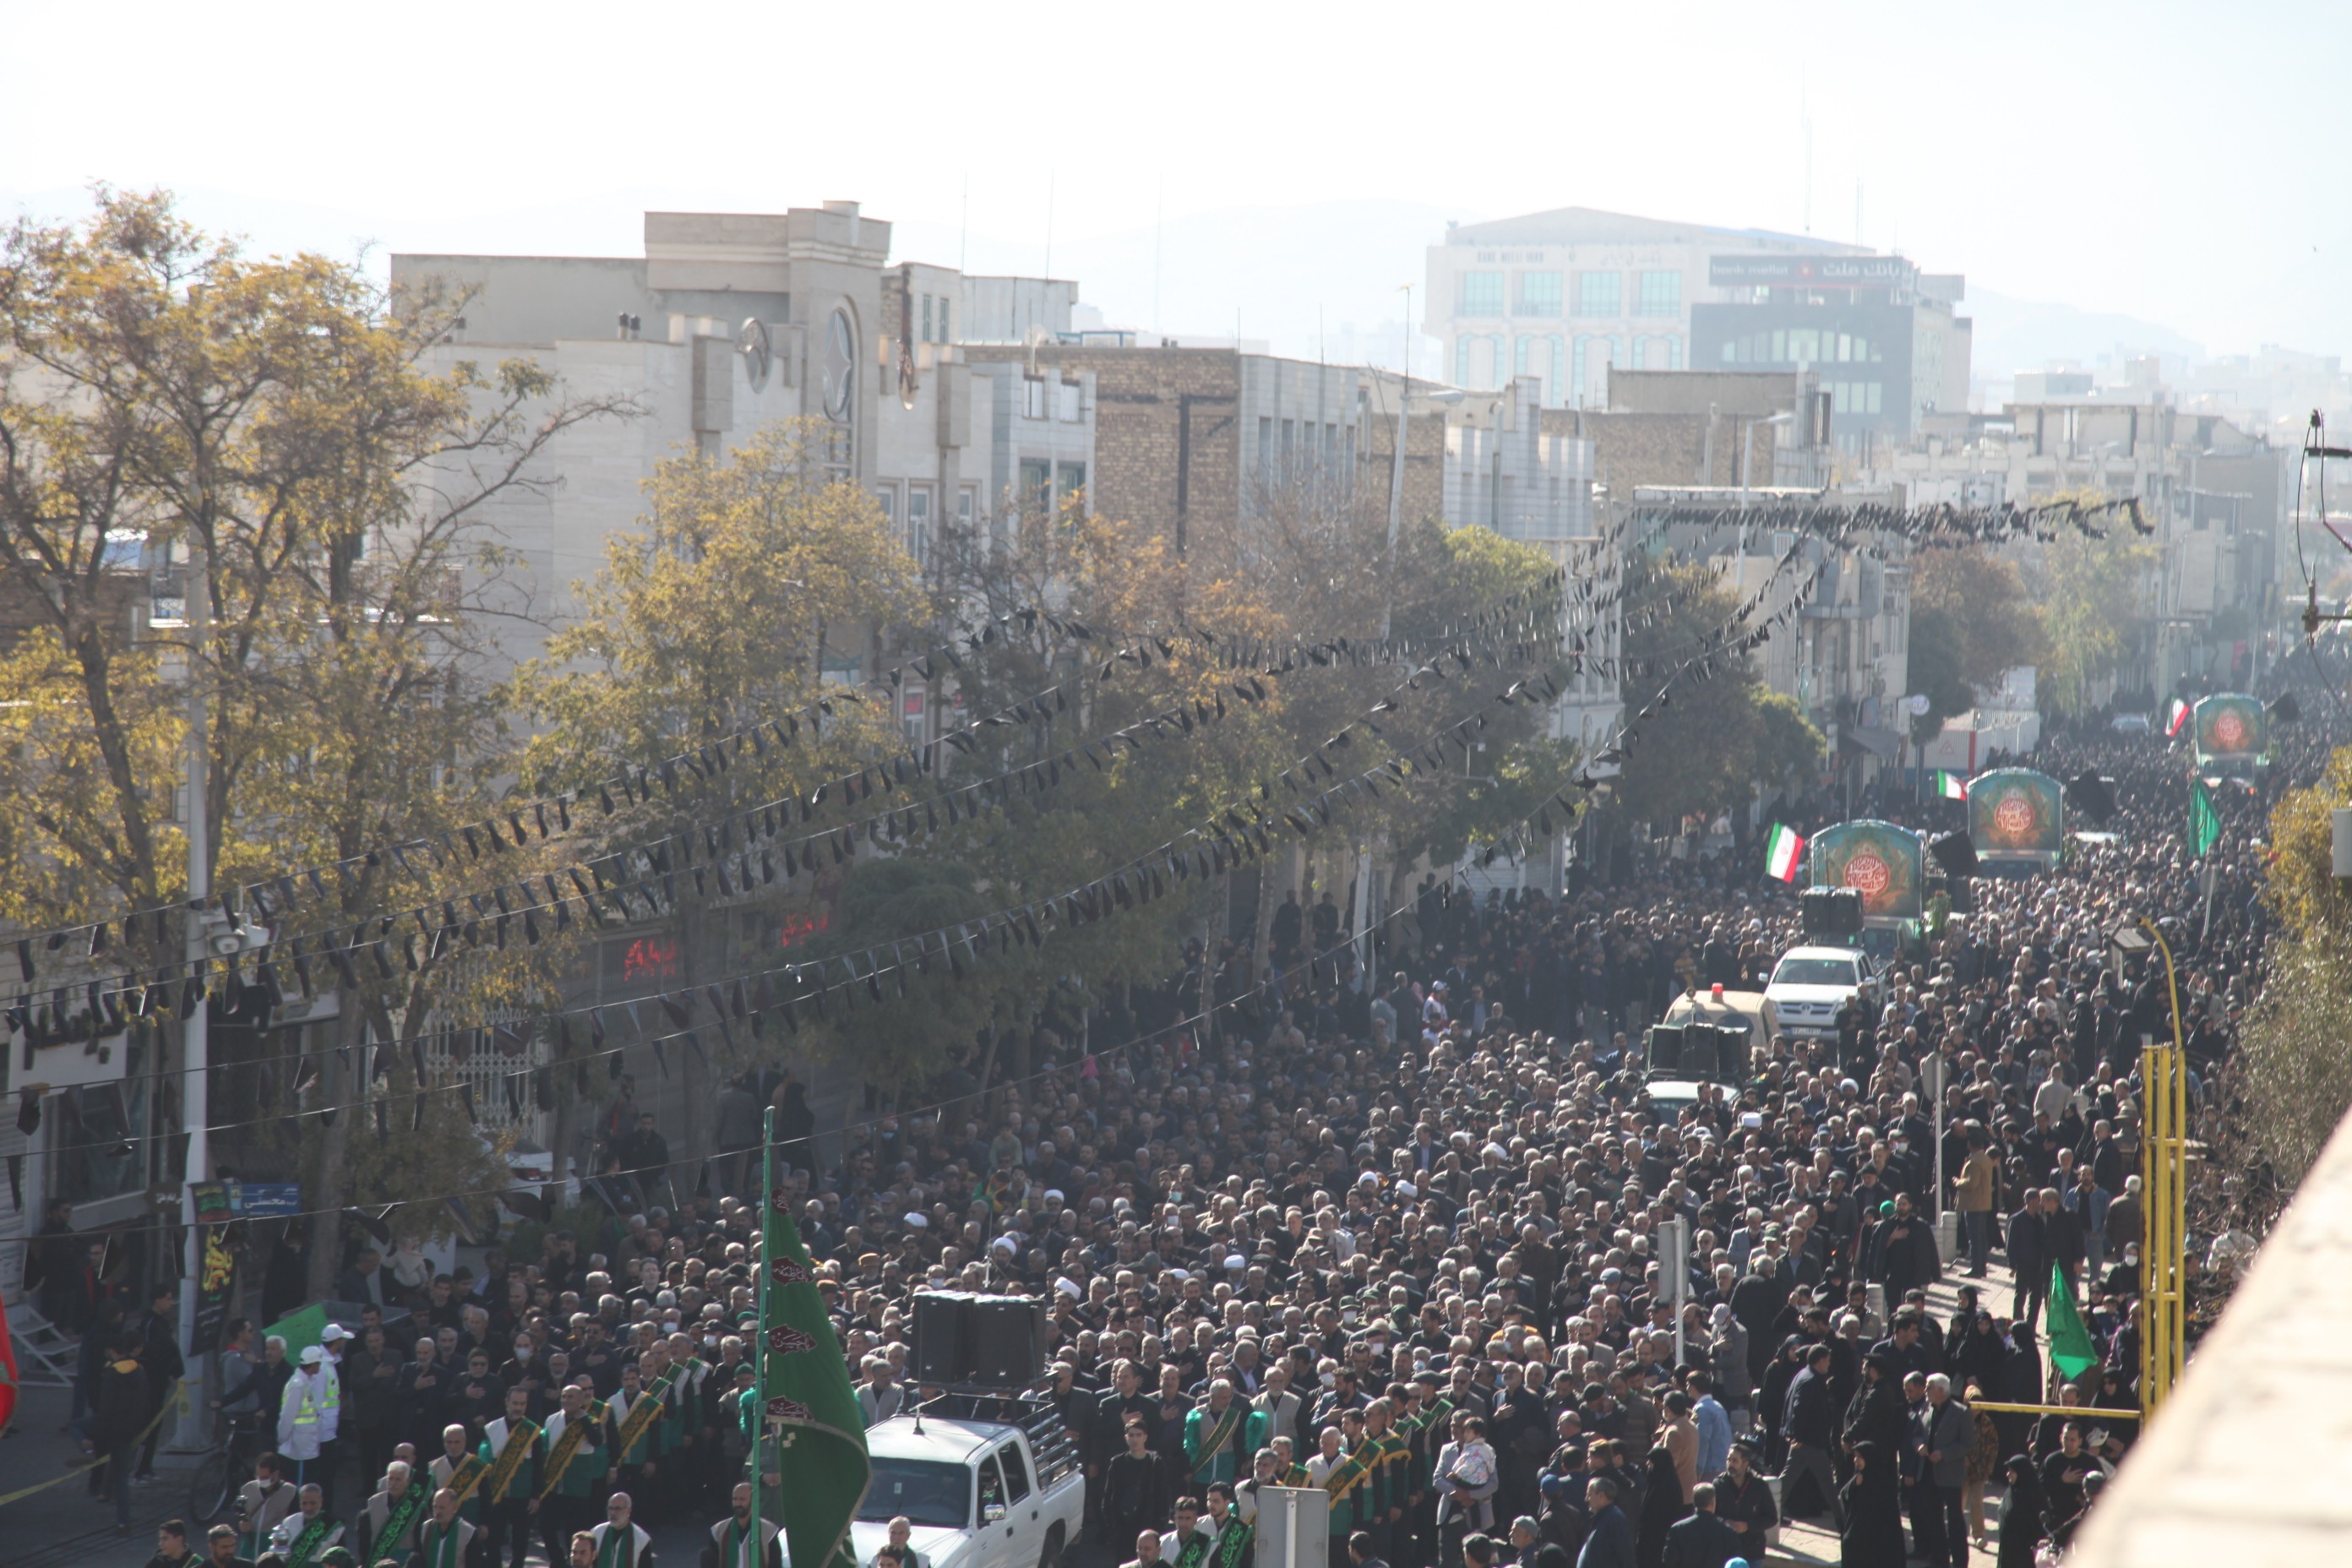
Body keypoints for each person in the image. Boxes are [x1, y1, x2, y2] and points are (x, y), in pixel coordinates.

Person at [90, 1328, 149, 1531]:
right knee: (121, 1472)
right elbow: (144, 1402)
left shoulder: (112, 1374)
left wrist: (97, 1434)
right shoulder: (139, 1371)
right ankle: (120, 1516)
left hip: (113, 1429)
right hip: (131, 1428)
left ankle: (122, 1518)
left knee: (119, 1473)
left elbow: (105, 1407)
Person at [1836, 1442, 1903, 1568]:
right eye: (1855, 1456)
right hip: (1860, 1530)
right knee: (1849, 1541)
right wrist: (1854, 1484)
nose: (1856, 1460)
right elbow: (1844, 1495)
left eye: (1860, 1457)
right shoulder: (1859, 1477)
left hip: (1879, 1535)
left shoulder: (1882, 1481)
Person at [360, 1461, 427, 1567]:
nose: (393, 1483)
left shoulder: (416, 1506)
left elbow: (420, 1541)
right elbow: (365, 1537)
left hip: (404, 1560)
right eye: (390, 1478)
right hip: (378, 1559)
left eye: (398, 1479)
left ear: (407, 1481)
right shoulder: (373, 1502)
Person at [1656, 1484, 1740, 1568]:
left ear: (1694, 1502)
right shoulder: (1728, 1532)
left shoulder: (1677, 1529)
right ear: (1713, 1502)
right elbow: (1735, 1563)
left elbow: (1669, 1561)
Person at [700, 1483, 782, 1568]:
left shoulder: (768, 1531)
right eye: (735, 1499)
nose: (738, 1503)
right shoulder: (719, 1531)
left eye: (742, 1499)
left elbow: (776, 1564)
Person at [1631, 1448, 1687, 1568]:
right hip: (1648, 1540)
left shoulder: (1669, 1486)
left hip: (1661, 1540)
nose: (1647, 1465)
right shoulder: (1654, 1482)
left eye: (1651, 1462)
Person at [238, 1452, 299, 1560]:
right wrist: (241, 1524)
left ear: (276, 1474)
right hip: (250, 1544)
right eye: (258, 1476)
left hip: (274, 1544)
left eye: (265, 1477)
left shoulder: (290, 1492)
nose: (261, 1480)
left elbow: (295, 1521)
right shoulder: (247, 1489)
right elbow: (241, 1513)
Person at [269, 1484, 348, 1567]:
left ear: (321, 1501)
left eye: (313, 1503)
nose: (308, 1508)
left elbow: (342, 1558)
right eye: (304, 1503)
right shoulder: (288, 1522)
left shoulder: (333, 1526)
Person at [1994, 1454, 2042, 1568]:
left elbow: (2036, 1526)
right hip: (2007, 1552)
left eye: (2012, 1472)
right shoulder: (2011, 1492)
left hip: (2024, 1555)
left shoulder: (2032, 1496)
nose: (2008, 1474)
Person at [411, 1488, 479, 1568]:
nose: (437, 1512)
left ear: (454, 1508)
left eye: (442, 1508)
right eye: (435, 1507)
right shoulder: (426, 1529)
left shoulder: (468, 1533)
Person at [1575, 1477, 1631, 1568]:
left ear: (1601, 1496)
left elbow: (1626, 1557)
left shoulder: (1615, 1520)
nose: (1586, 1499)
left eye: (1589, 1495)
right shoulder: (1603, 1518)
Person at [590, 1491, 656, 1568]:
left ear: (629, 1511)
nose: (613, 1512)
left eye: (618, 1509)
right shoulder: (596, 1533)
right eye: (610, 1508)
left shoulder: (642, 1539)